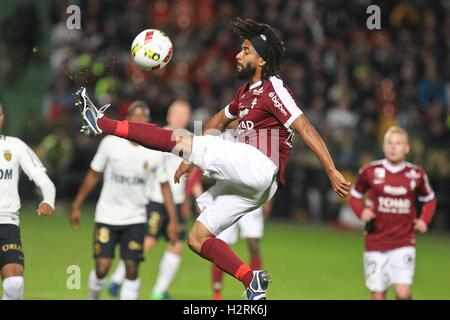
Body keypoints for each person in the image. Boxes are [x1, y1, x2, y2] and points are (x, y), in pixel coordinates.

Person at [76, 18, 350, 300]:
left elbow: (303, 126)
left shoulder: (273, 88)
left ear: (262, 61)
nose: (237, 54)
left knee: (181, 139)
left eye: (245, 50)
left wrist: (331, 170)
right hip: (257, 186)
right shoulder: (245, 94)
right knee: (196, 239)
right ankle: (250, 281)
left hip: (259, 163)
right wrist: (194, 157)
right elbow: (219, 118)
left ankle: (101, 123)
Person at [70, 101, 178, 300]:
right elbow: (93, 175)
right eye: (135, 116)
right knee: (102, 268)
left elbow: (165, 186)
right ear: (127, 119)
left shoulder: (154, 150)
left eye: (143, 117)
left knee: (131, 268)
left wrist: (172, 220)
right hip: (107, 216)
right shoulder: (110, 143)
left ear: (148, 122)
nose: (139, 120)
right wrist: (76, 205)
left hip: (135, 218)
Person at [108, 99, 201, 300]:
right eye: (175, 112)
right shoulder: (156, 136)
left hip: (176, 202)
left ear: (188, 118)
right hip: (155, 200)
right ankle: (117, 279)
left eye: (183, 113)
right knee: (147, 242)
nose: (179, 117)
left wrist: (195, 198)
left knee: (176, 245)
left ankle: (159, 291)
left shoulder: (190, 139)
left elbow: (192, 174)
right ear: (169, 115)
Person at [349, 126, 437, 300]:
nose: (393, 147)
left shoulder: (416, 174)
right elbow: (354, 195)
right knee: (378, 295)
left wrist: (424, 220)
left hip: (403, 241)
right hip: (375, 241)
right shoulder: (370, 171)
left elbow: (430, 198)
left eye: (398, 143)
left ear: (407, 148)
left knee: (402, 294)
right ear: (383, 146)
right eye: (389, 143)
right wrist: (362, 212)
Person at [0, 102, 55, 300]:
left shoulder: (14, 146)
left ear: (2, 118)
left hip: (7, 223)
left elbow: (44, 179)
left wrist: (48, 200)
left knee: (14, 283)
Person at [212, 200, 272, 300]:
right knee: (219, 246)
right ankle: (217, 294)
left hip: (252, 199)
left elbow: (273, 184)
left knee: (253, 244)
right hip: (229, 201)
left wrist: (267, 201)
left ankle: (255, 290)